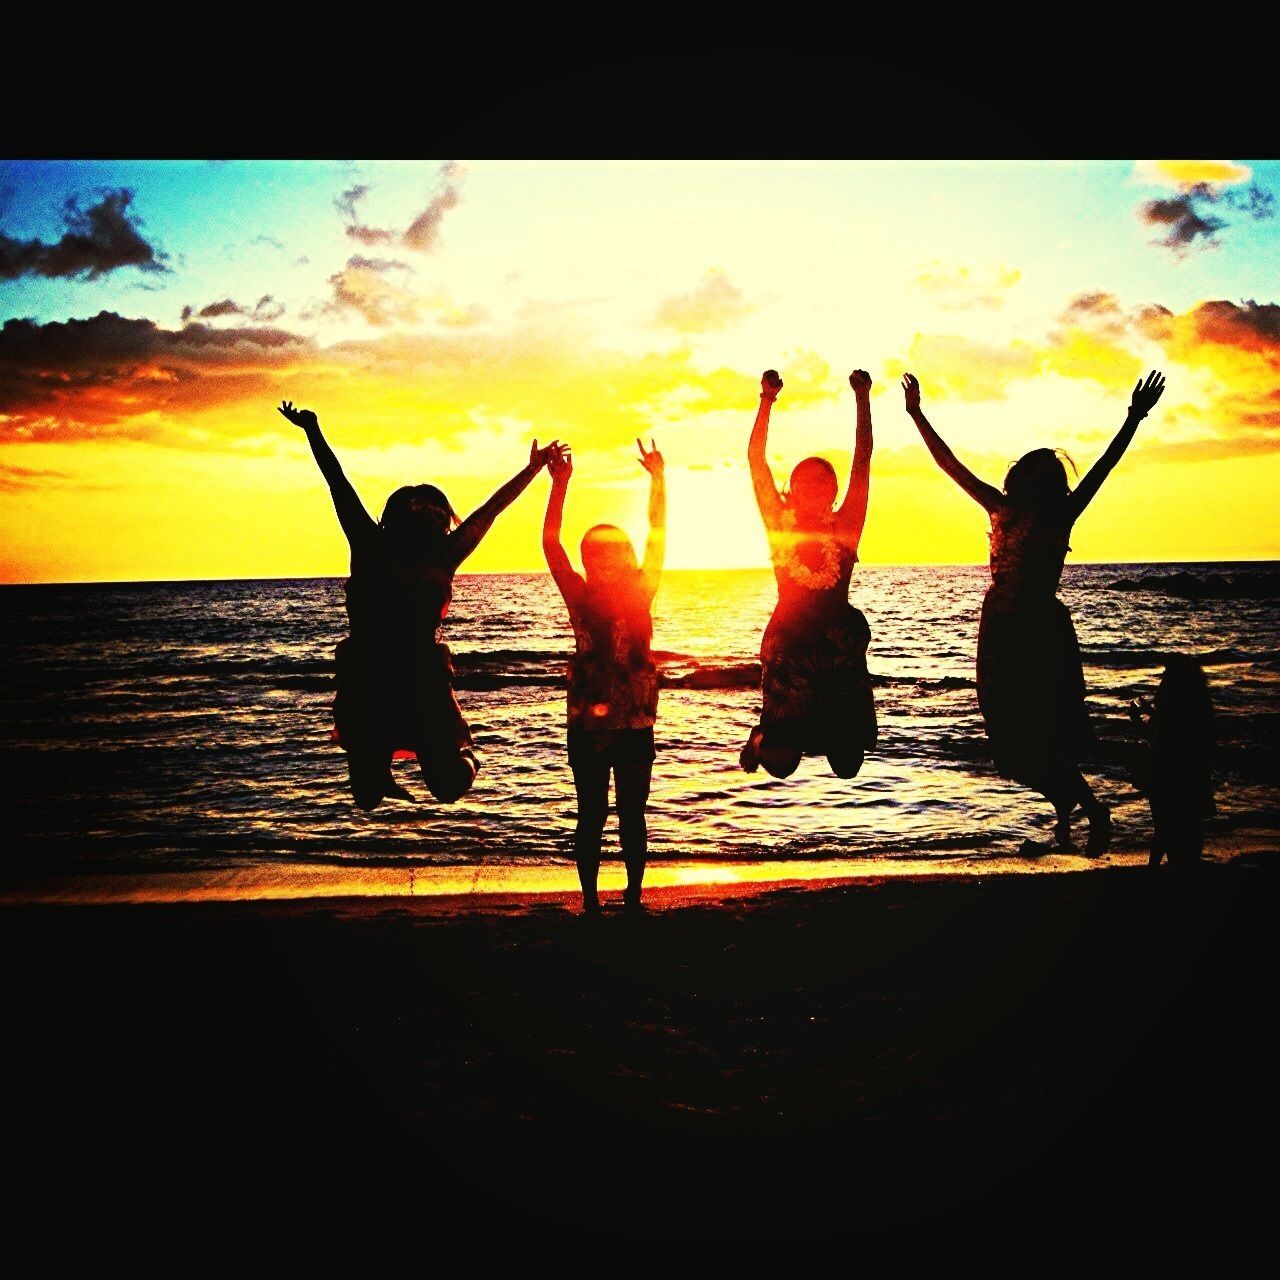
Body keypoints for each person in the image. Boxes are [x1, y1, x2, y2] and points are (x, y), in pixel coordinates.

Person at [903, 369, 1167, 854]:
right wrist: (917, 414)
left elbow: (1105, 466)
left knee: (1039, 738)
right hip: (1002, 630)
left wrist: (1133, 417)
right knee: (1010, 747)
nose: (1038, 481)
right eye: (1033, 473)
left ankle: (1089, 810)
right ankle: (1069, 808)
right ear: (1019, 478)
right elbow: (949, 465)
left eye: (1047, 477)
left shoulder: (1060, 514)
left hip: (1039, 633)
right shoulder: (998, 508)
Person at [279, 400, 558, 810]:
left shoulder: (442, 554)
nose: (425, 522)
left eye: (431, 517)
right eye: (418, 514)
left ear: (440, 523)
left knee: (447, 786)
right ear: (394, 518)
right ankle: (379, 773)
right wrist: (312, 432)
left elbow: (491, 510)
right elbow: (337, 483)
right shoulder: (369, 542)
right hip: (368, 675)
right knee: (368, 796)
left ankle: (467, 757)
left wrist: (532, 470)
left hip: (420, 677)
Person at [542, 438, 666, 914]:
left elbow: (659, 531)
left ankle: (634, 896)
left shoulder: (642, 588)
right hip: (587, 726)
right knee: (591, 814)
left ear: (627, 555)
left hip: (636, 722)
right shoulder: (579, 595)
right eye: (595, 553)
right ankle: (591, 901)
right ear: (588, 562)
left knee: (633, 815)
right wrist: (560, 486)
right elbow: (552, 545)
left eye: (613, 551)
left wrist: (659, 480)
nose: (604, 559)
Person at [740, 368, 877, 779]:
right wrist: (767, 399)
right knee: (781, 764)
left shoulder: (847, 526)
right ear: (792, 488)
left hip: (838, 647)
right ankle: (762, 738)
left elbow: (863, 460)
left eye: (823, 481)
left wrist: (862, 398)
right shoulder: (780, 526)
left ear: (834, 491)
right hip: (791, 643)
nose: (815, 486)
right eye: (805, 480)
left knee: (849, 764)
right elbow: (755, 460)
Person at [1129, 656, 1215, 868]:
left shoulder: (1170, 702)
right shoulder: (1199, 702)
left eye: (1166, 676)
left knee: (1165, 826)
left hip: (1165, 773)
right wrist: (1150, 714)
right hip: (1193, 774)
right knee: (1189, 826)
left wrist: (1137, 720)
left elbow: (1160, 737)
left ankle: (1156, 871)